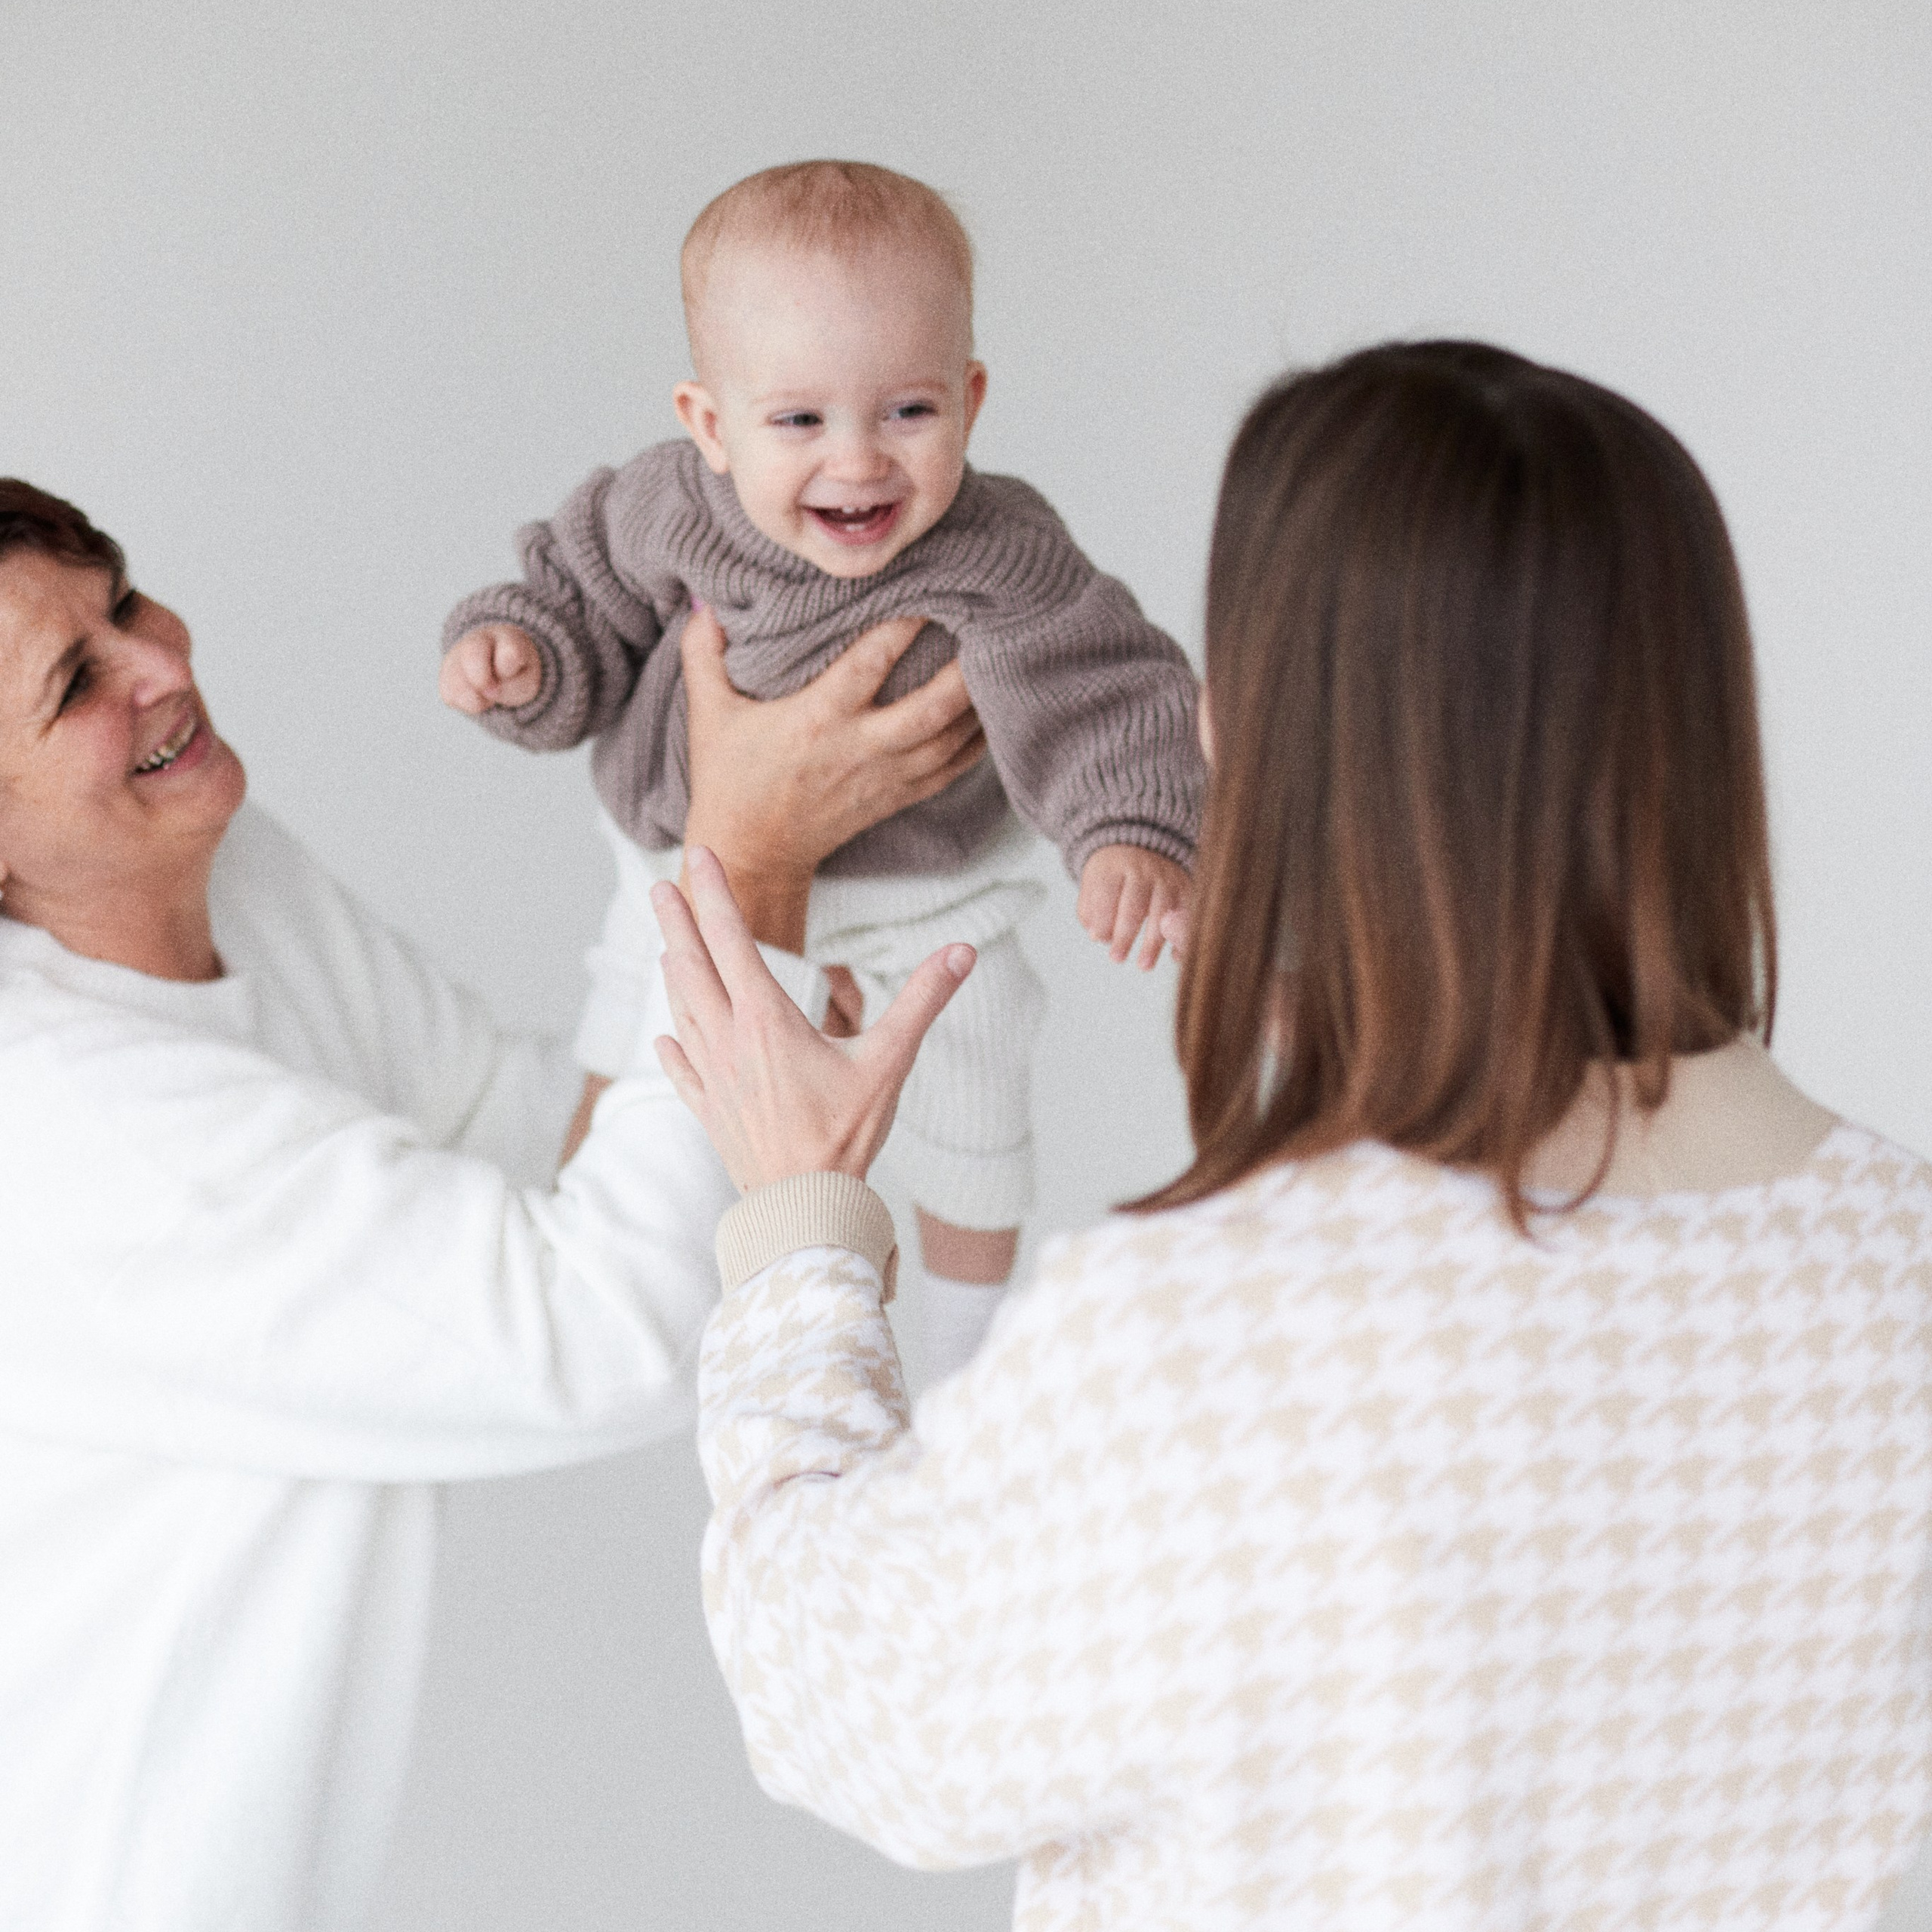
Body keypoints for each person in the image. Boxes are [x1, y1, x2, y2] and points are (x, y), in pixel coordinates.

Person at [651, 343, 1932, 1929]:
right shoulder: (1901, 1264)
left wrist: (801, 1227)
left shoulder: (1221, 1326)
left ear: (1262, 721)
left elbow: (851, 1699)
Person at [0, 477, 983, 1932]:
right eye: (75, 682)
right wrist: (747, 865)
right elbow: (614, 1330)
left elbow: (529, 1138)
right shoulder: (68, 1130)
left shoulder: (216, 865)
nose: (161, 664)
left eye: (126, 599)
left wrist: (673, 827)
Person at [438, 158, 1207, 1380]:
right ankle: (567, 1249)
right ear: (708, 424)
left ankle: (967, 1344)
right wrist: (524, 656)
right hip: (688, 871)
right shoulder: (662, 508)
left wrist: (1132, 833)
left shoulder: (998, 550)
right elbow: (578, 597)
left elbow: (1104, 684)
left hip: (926, 897)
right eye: (799, 422)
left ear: (971, 396)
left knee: (974, 1079)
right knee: (638, 1038)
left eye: (907, 413)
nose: (858, 464)